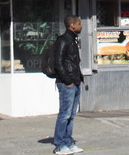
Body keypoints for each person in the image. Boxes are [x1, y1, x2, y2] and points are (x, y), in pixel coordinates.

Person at [52, 15, 84, 155]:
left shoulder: (72, 40)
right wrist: (68, 81)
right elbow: (58, 63)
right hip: (67, 84)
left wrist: (77, 80)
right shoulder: (63, 40)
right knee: (64, 114)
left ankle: (68, 142)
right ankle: (59, 144)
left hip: (75, 81)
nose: (81, 26)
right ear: (72, 25)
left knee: (71, 114)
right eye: (79, 23)